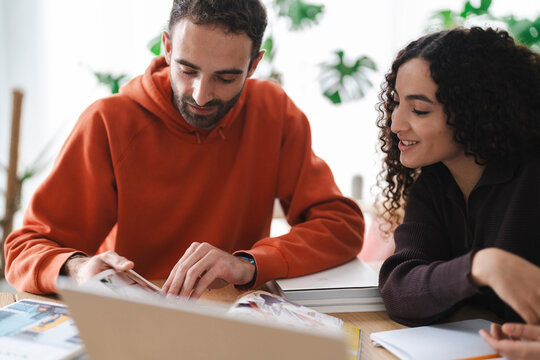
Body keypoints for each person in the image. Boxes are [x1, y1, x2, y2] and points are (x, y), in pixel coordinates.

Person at [4, 0, 364, 298]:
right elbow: (25, 248)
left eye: (225, 77)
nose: (200, 95)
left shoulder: (275, 112)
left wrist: (248, 264)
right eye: (187, 69)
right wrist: (77, 266)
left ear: (254, 64)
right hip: (131, 324)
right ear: (167, 46)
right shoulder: (109, 122)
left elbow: (341, 225)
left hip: (233, 322)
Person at [375, 27, 540, 359]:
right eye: (395, 103)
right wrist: (481, 265)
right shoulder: (436, 182)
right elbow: (400, 290)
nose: (395, 124)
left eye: (419, 110)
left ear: (475, 114)